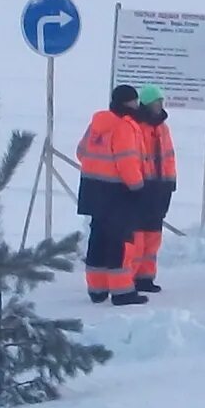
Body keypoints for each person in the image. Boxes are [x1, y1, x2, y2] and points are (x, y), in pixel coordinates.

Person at [76, 84, 152, 304]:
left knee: (98, 238)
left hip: (92, 190)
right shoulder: (125, 127)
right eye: (135, 101)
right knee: (120, 242)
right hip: (118, 193)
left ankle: (97, 289)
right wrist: (138, 187)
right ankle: (122, 292)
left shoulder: (98, 123)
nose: (138, 105)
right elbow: (127, 161)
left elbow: (81, 152)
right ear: (129, 103)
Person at [130, 84, 178, 294]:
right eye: (156, 102)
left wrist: (171, 181)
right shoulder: (136, 126)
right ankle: (130, 277)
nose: (159, 106)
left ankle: (146, 277)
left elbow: (169, 157)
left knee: (153, 235)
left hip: (161, 187)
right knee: (138, 237)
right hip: (142, 187)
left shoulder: (163, 128)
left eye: (161, 102)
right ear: (146, 104)